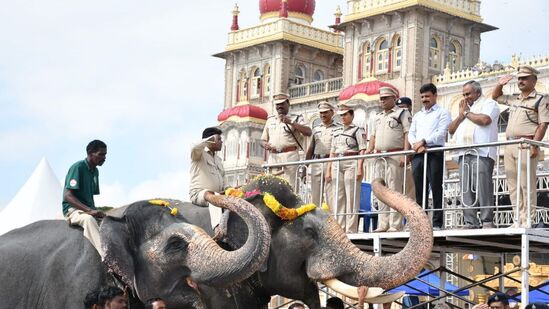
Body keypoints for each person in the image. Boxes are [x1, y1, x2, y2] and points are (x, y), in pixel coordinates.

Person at [492, 65, 549, 227]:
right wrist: (500, 84)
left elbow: (543, 124)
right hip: (510, 144)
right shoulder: (515, 98)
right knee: (512, 184)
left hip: (526, 143)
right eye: (519, 78)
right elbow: (496, 97)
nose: (521, 81)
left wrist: (534, 145)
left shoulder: (541, 99)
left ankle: (528, 219)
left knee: (526, 183)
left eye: (525, 78)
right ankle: (518, 218)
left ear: (534, 80)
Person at [448, 80, 500, 229]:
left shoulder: (489, 104)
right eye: (463, 94)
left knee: (483, 186)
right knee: (466, 188)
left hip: (482, 152)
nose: (465, 97)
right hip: (464, 153)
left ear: (478, 92)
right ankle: (470, 221)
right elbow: (451, 130)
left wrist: (466, 113)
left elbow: (484, 120)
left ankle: (487, 221)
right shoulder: (464, 110)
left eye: (468, 93)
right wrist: (460, 116)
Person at [367, 87, 412, 232]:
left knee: (394, 191)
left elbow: (407, 133)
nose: (383, 101)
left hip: (394, 154)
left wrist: (405, 153)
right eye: (381, 98)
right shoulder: (377, 116)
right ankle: (382, 224)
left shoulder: (402, 113)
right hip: (380, 156)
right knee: (381, 191)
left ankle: (395, 224)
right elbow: (372, 136)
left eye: (386, 98)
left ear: (394, 98)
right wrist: (370, 149)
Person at [408, 83, 451, 230]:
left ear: (434, 95)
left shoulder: (442, 112)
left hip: (434, 151)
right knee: (419, 189)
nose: (424, 99)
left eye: (427, 96)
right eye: (422, 97)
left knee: (436, 187)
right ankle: (421, 223)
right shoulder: (418, 115)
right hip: (418, 153)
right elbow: (411, 134)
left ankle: (437, 223)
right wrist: (416, 145)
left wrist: (424, 141)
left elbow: (441, 133)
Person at [327, 103, 367, 233]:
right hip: (337, 162)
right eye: (341, 115)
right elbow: (332, 151)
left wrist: (360, 167)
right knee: (338, 197)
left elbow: (362, 149)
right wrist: (328, 169)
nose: (343, 117)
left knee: (351, 196)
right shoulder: (336, 131)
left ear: (351, 115)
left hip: (351, 161)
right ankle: (340, 227)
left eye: (345, 114)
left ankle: (351, 228)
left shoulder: (357, 130)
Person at [62, 140, 107, 256]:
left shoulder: (95, 171)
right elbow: (67, 196)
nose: (104, 157)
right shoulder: (78, 167)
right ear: (91, 153)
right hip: (73, 210)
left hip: (87, 209)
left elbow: (89, 197)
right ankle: (106, 256)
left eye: (105, 154)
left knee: (110, 221)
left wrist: (97, 212)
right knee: (88, 220)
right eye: (101, 154)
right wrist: (89, 211)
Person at [262, 93, 312, 189]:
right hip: (274, 158)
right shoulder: (270, 120)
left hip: (290, 157)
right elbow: (263, 139)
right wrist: (264, 144)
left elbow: (308, 132)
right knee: (272, 189)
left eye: (282, 104)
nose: (279, 106)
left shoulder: (296, 118)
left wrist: (291, 122)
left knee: (290, 188)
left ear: (288, 103)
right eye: (277, 104)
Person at [189, 127, 226, 228]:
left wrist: (231, 190)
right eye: (219, 139)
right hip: (200, 193)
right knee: (211, 195)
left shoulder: (218, 159)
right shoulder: (199, 154)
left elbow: (224, 181)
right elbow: (194, 146)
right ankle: (218, 229)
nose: (221, 142)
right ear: (211, 140)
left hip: (219, 194)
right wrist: (208, 140)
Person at [306, 101, 341, 206]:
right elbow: (310, 149)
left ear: (332, 112)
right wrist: (304, 166)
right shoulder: (316, 129)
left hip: (331, 163)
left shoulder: (338, 128)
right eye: (321, 113)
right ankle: (316, 221)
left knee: (331, 196)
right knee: (315, 196)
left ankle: (330, 221)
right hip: (316, 163)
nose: (323, 115)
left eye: (325, 112)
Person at [397, 96, 417, 202]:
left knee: (410, 193)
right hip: (398, 159)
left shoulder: (414, 120)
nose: (401, 110)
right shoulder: (396, 121)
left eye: (403, 107)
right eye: (398, 107)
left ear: (409, 107)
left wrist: (406, 155)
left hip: (410, 159)